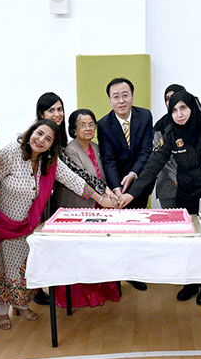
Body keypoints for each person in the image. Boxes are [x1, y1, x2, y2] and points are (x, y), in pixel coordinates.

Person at [0, 119, 117, 326]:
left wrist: (101, 199)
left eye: (48, 139)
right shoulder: (11, 152)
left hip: (30, 224)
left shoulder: (50, 161)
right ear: (31, 131)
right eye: (39, 133)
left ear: (52, 145)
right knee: (6, 266)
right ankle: (1, 310)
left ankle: (22, 305)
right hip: (5, 224)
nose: (41, 140)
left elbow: (75, 181)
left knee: (26, 265)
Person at [120, 90, 201, 305]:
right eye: (174, 110)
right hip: (187, 195)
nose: (179, 114)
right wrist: (131, 193)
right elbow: (153, 165)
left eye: (183, 108)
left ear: (192, 107)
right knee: (191, 242)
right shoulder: (171, 134)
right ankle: (191, 282)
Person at [33, 92, 117, 305]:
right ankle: (32, 295)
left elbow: (88, 177)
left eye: (60, 109)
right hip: (44, 200)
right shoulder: (52, 142)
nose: (57, 113)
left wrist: (107, 192)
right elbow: (77, 177)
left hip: (69, 200)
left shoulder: (64, 140)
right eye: (51, 110)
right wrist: (103, 194)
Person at [54, 109, 121, 307]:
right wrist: (105, 195)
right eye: (82, 125)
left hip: (99, 205)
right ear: (73, 129)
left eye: (91, 124)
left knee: (99, 252)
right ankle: (84, 295)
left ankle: (102, 290)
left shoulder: (96, 146)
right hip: (79, 205)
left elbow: (102, 175)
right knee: (82, 252)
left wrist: (110, 194)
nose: (88, 128)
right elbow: (84, 177)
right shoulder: (70, 149)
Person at [97, 77, 154, 291]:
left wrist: (133, 174)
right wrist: (116, 189)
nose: (121, 100)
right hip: (116, 186)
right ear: (110, 101)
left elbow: (146, 151)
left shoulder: (145, 115)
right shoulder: (104, 124)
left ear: (132, 96)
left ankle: (135, 272)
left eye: (125, 95)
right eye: (116, 97)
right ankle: (116, 275)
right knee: (118, 231)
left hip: (139, 182)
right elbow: (108, 160)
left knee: (137, 228)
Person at [153, 84, 185, 209]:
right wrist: (175, 176)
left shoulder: (193, 123)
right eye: (167, 98)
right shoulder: (160, 126)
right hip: (168, 186)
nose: (170, 101)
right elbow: (159, 156)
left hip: (192, 185)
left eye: (174, 96)